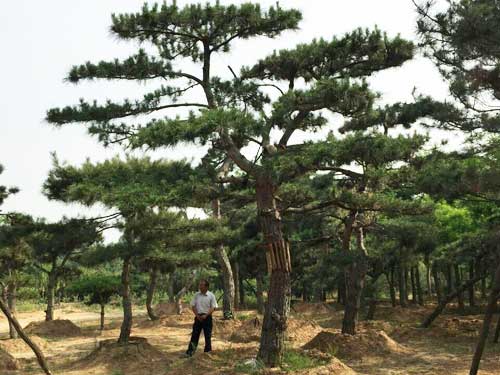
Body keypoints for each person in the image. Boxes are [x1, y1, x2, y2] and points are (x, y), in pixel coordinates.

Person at [185, 279, 218, 356]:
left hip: (207, 318)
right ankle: (190, 352)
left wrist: (206, 315)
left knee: (207, 335)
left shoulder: (211, 295)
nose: (200, 286)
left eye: (202, 285)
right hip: (198, 317)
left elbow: (213, 307)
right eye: (199, 285)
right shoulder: (196, 295)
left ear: (206, 287)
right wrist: (197, 316)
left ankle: (207, 352)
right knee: (195, 335)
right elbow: (193, 306)